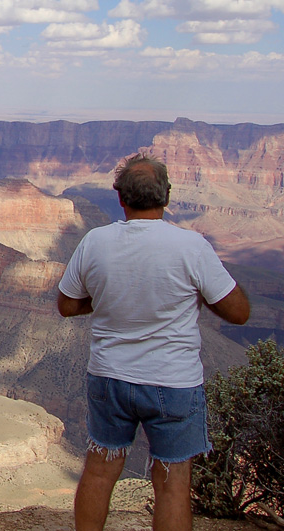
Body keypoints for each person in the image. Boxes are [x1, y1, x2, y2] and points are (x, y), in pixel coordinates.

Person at [57, 154, 251, 531]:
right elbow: (238, 312)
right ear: (167, 196)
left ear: (120, 199)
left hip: (110, 378)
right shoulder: (191, 247)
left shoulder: (95, 241)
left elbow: (67, 304)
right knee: (173, 486)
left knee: (99, 471)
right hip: (173, 383)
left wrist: (109, 296)